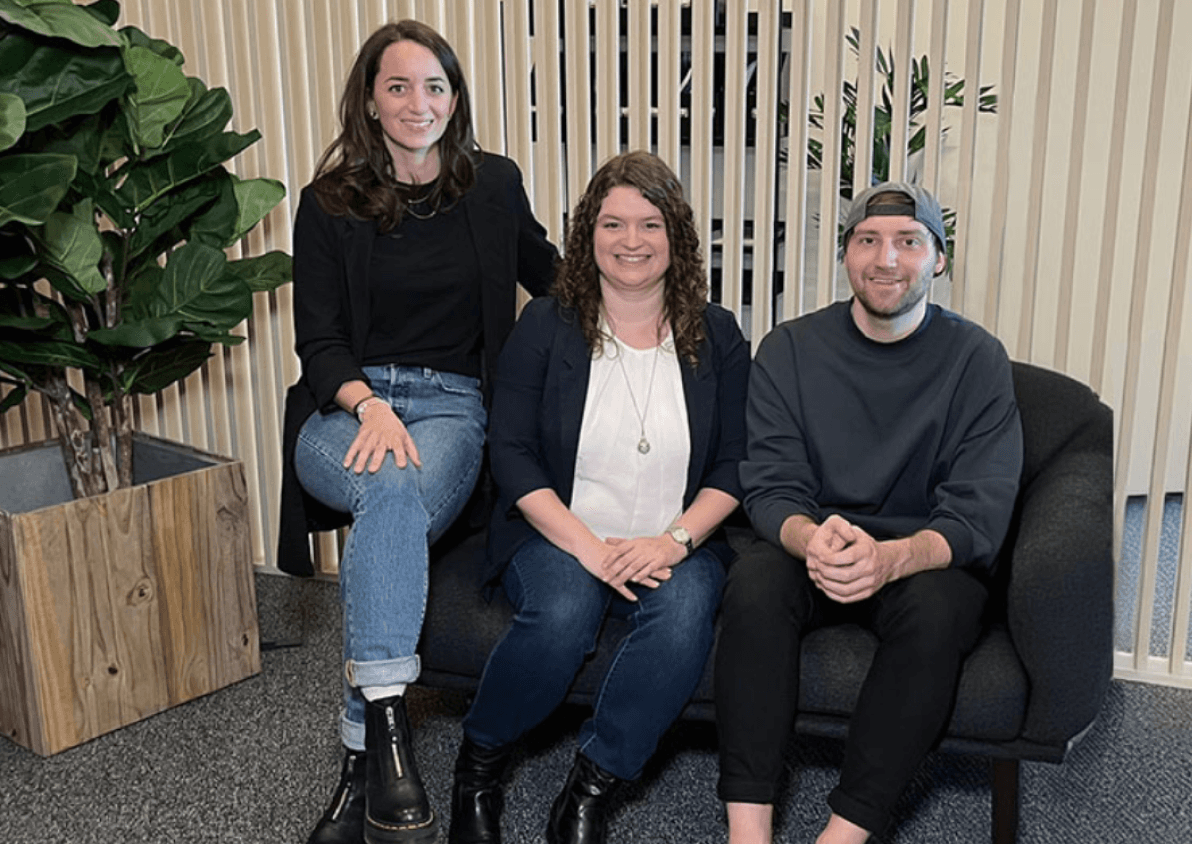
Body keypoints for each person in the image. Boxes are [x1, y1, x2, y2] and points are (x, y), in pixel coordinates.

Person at [277, 20, 557, 844]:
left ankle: (363, 760)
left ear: (455, 98)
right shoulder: (327, 204)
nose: (417, 102)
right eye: (397, 86)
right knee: (387, 487)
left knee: (391, 498)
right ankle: (392, 732)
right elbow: (319, 340)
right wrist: (368, 404)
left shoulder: (494, 186)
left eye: (434, 85)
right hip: (347, 414)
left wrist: (658, 292)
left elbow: (554, 278)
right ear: (370, 98)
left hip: (452, 411)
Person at [446, 150, 750, 844]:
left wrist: (672, 542)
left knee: (683, 615)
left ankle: (590, 788)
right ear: (588, 235)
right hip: (557, 530)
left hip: (675, 535)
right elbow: (512, 452)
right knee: (562, 612)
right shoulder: (549, 326)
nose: (631, 241)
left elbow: (737, 463)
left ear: (677, 237)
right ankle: (480, 768)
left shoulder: (718, 334)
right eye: (613, 223)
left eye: (649, 223)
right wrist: (588, 546)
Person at [714, 182, 1024, 844]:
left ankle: (847, 831)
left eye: (909, 241)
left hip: (918, 556)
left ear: (938, 259)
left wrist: (892, 558)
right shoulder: (790, 349)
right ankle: (747, 831)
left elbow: (980, 510)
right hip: (815, 545)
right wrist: (809, 538)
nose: (886, 259)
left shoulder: (977, 360)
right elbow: (770, 485)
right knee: (754, 585)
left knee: (943, 609)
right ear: (846, 254)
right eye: (868, 240)